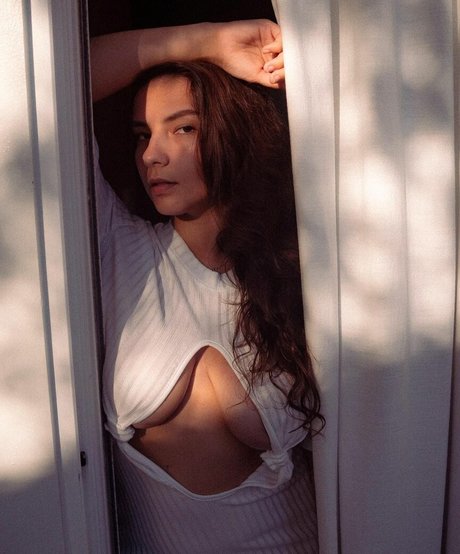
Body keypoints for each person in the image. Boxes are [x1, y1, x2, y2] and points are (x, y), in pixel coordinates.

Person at [91, 19, 322, 553]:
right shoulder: (119, 246)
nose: (152, 155)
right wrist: (209, 43)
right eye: (143, 135)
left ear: (231, 133)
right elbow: (36, 86)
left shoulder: (293, 270)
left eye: (183, 129)